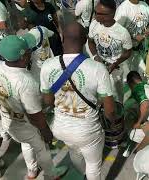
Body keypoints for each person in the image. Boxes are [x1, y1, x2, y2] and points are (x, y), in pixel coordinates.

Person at [40, 22, 116, 180]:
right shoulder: (97, 68)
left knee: (75, 151)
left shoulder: (47, 65)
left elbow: (47, 101)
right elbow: (109, 110)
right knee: (94, 165)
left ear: (62, 38)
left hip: (61, 128)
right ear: (84, 41)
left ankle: (83, 174)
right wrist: (111, 122)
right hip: (87, 130)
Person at [0, 35, 68, 179]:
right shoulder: (26, 81)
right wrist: (46, 131)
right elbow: (35, 116)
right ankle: (52, 175)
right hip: (26, 124)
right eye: (28, 51)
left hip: (8, 121)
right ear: (23, 56)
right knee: (41, 148)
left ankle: (32, 171)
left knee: (26, 144)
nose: (30, 52)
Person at [88, 0, 132, 103]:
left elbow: (128, 52)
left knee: (114, 98)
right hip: (97, 67)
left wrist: (115, 63)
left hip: (114, 72)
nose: (96, 16)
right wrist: (95, 57)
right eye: (95, 12)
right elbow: (90, 42)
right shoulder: (94, 24)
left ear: (112, 14)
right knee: (97, 95)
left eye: (100, 14)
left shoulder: (122, 33)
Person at [114, 0, 149, 73]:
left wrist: (148, 30)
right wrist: (134, 36)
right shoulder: (124, 8)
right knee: (125, 79)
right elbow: (116, 30)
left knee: (143, 75)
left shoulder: (146, 6)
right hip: (123, 53)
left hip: (138, 51)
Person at [16, 13, 55, 83]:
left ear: (26, 20)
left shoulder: (26, 38)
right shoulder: (42, 29)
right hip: (50, 62)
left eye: (20, 21)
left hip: (38, 69)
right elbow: (52, 34)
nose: (18, 23)